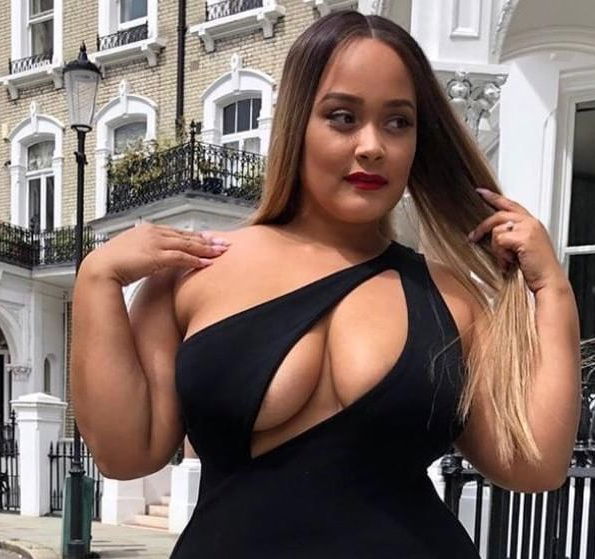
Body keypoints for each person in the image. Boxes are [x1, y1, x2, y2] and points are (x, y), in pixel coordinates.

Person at [71, 10, 581, 558]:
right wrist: (97, 279)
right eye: (342, 117)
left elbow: (534, 467)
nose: (372, 146)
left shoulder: (455, 299)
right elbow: (126, 454)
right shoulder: (193, 272)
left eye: (398, 122)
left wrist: (553, 291)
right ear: (297, 123)